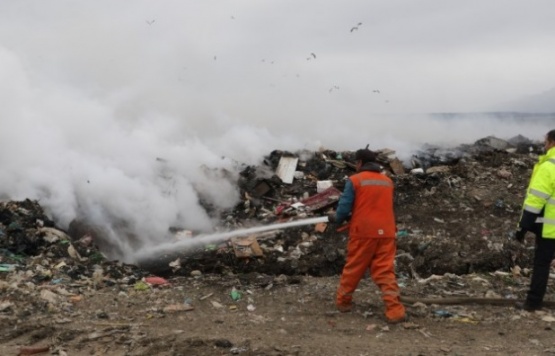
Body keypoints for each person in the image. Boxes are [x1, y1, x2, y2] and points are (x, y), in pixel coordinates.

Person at [328, 147, 406, 323]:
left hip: (364, 232)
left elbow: (344, 207)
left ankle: (344, 303)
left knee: (354, 268)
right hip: (387, 232)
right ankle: (395, 310)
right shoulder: (387, 181)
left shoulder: (355, 180)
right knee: (385, 271)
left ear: (360, 163)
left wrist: (337, 218)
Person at [515, 129, 555, 311]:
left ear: (552, 142)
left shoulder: (549, 166)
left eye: (546, 141)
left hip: (550, 229)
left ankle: (533, 303)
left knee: (542, 264)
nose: (544, 144)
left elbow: (535, 200)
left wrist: (522, 227)